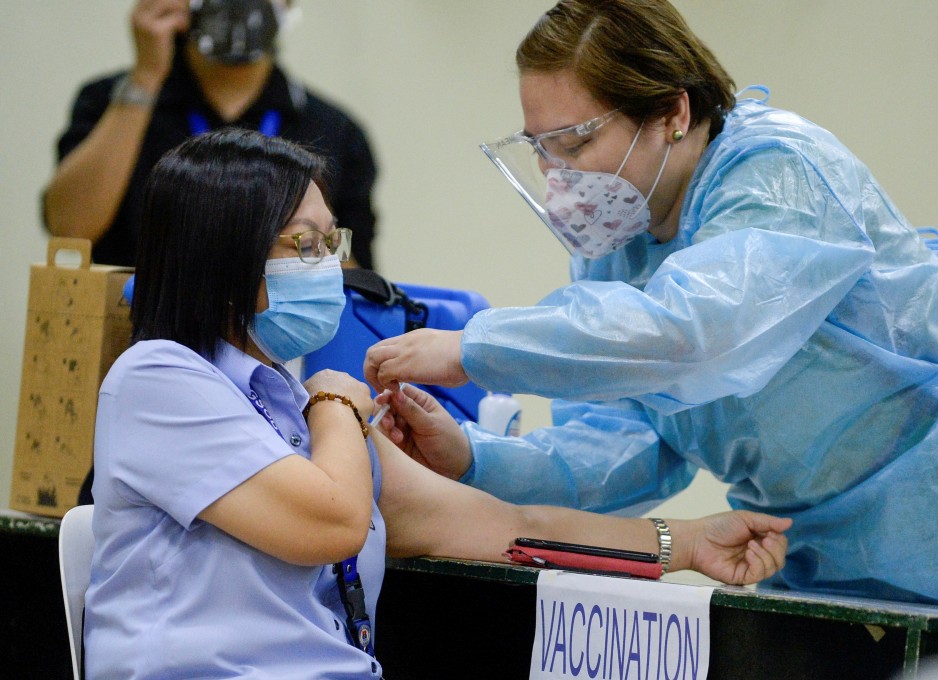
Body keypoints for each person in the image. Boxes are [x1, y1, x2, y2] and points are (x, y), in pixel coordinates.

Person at [364, 0, 938, 614]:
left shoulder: (778, 172)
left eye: (575, 144)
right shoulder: (616, 253)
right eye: (541, 151)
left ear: (672, 113)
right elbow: (623, 448)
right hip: (813, 543)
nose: (558, 180)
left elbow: (694, 335)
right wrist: (473, 460)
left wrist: (475, 349)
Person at [84, 128, 791, 679]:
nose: (328, 265)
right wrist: (334, 399)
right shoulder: (160, 381)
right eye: (303, 244)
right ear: (224, 255)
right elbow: (331, 521)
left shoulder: (293, 411)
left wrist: (685, 543)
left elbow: (510, 529)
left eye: (333, 242)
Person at [42, 0, 377, 270]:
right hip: (132, 336)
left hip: (271, 341)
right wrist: (146, 77)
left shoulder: (334, 130)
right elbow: (70, 229)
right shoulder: (114, 100)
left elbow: (353, 281)